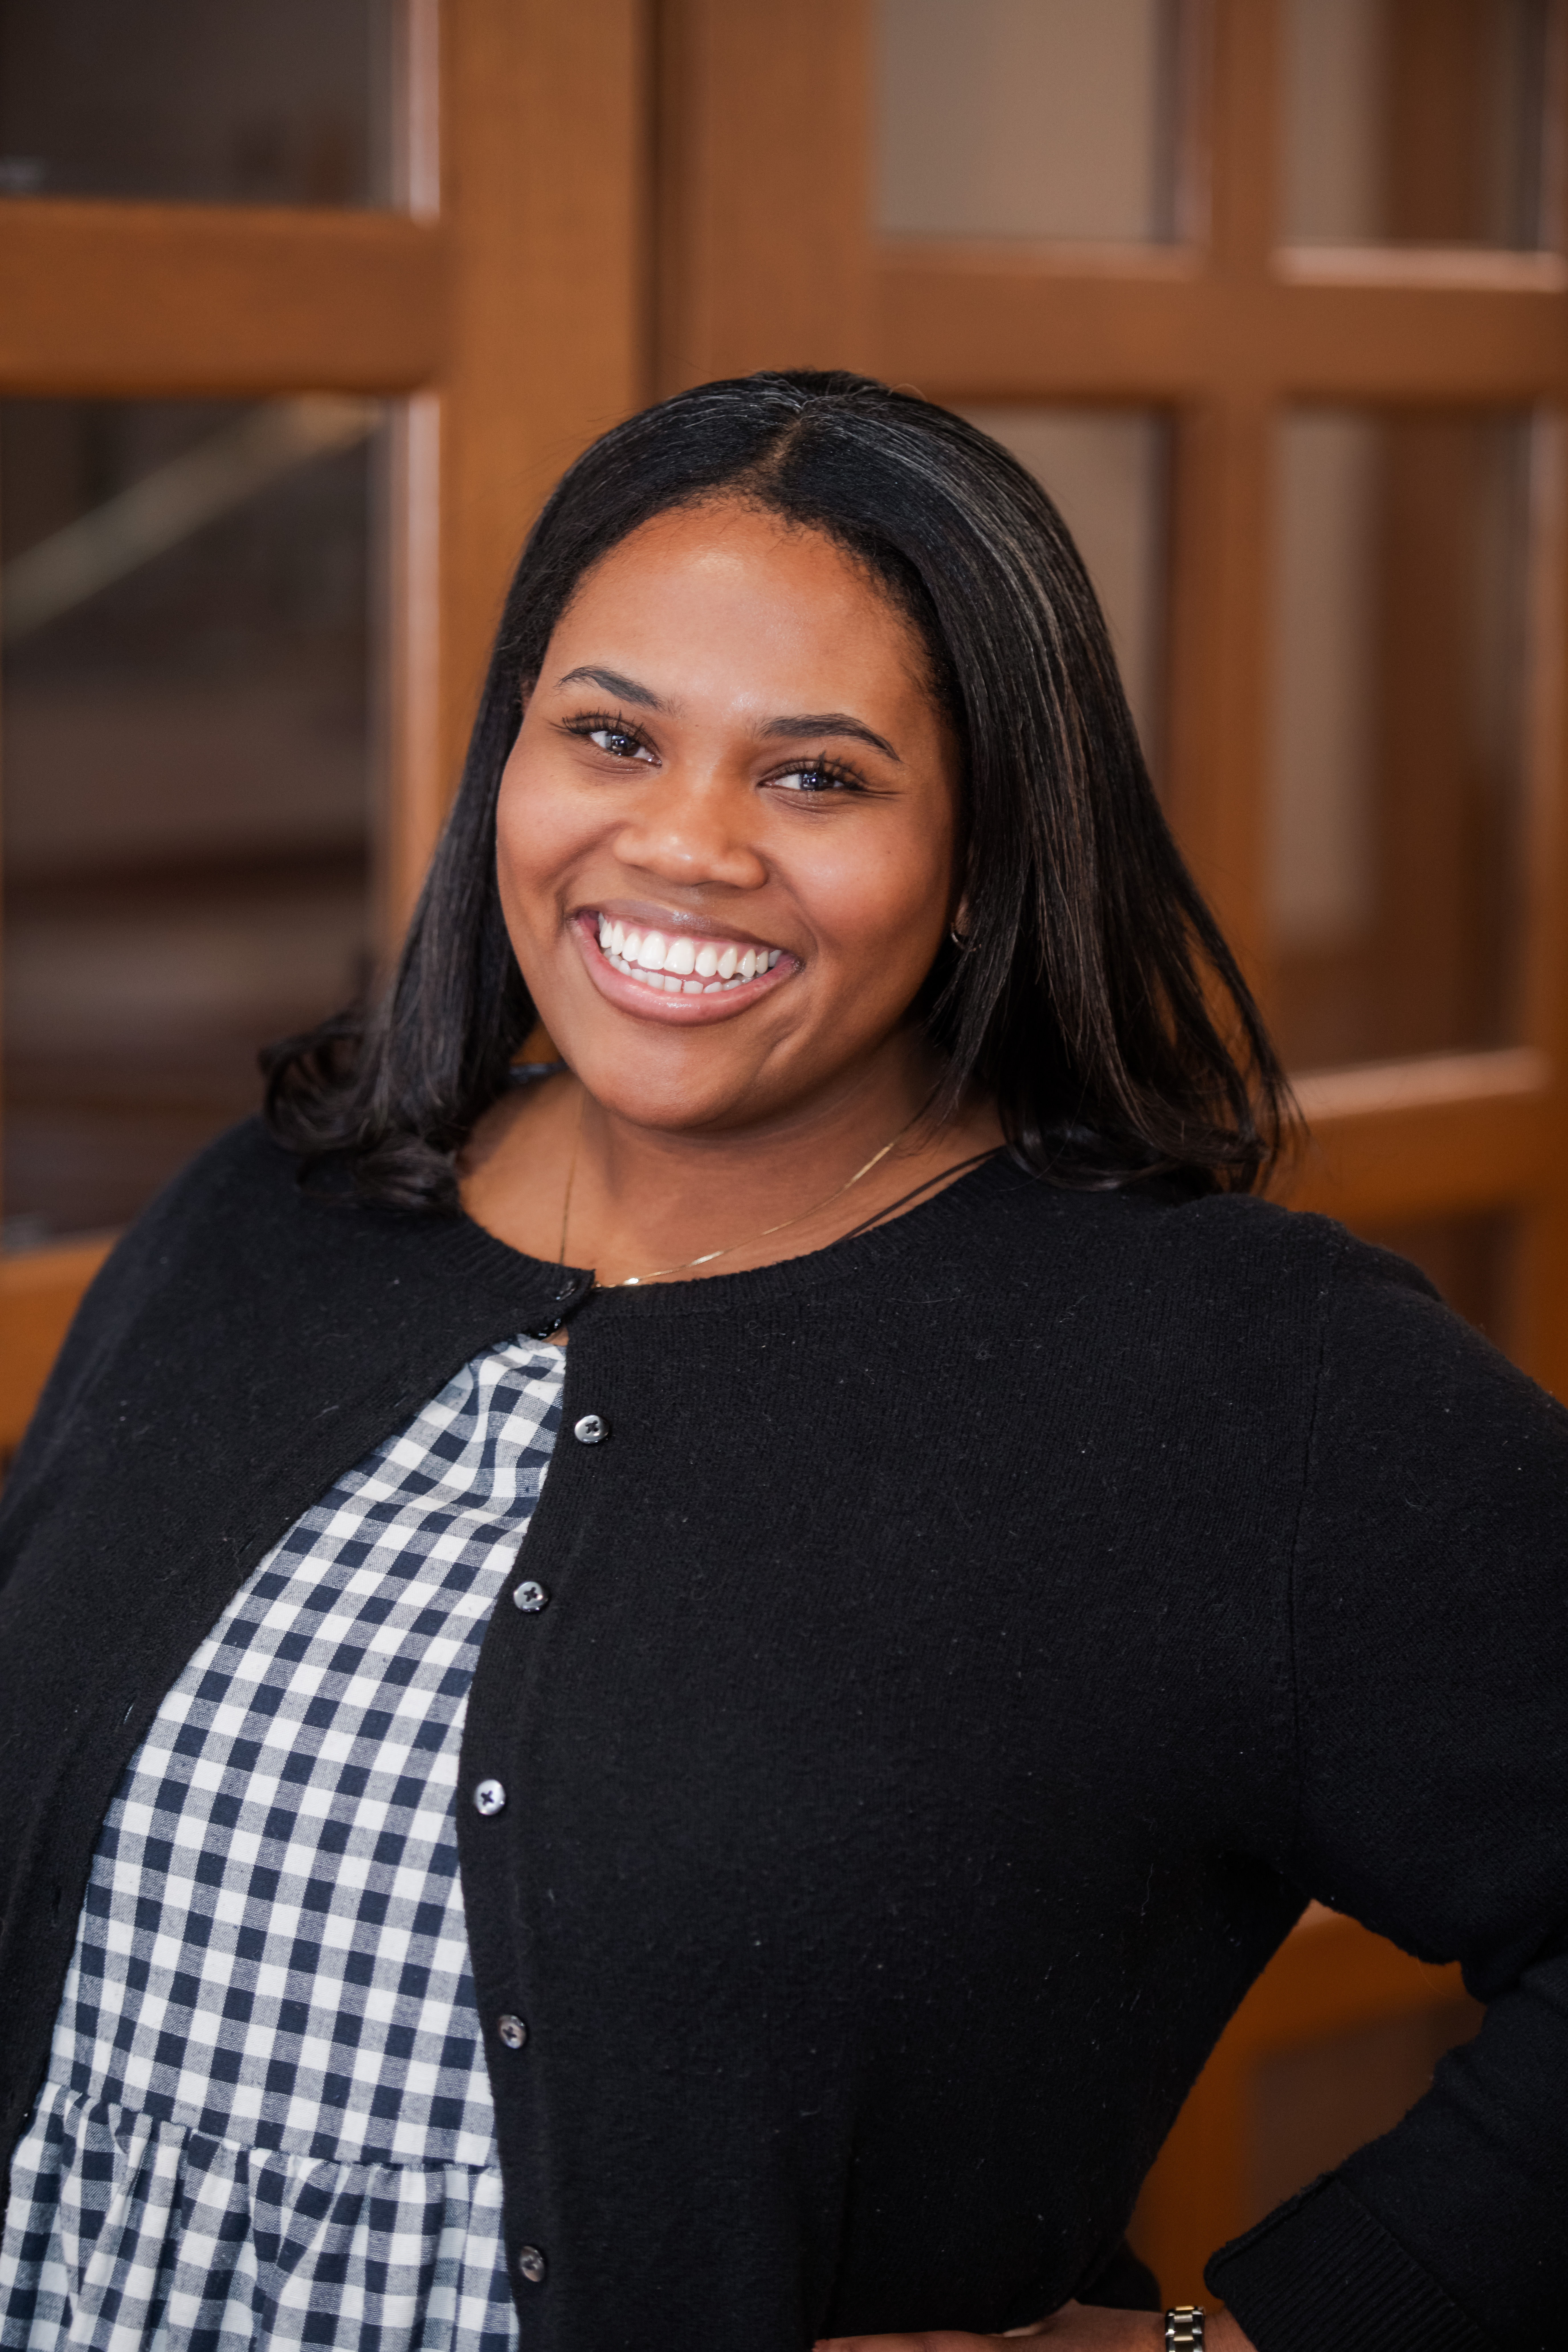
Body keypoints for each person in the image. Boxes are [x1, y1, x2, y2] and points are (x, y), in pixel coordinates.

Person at [0, 369, 1563, 2352]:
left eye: (816, 777)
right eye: (610, 735)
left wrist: (1260, 2344)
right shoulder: (267, 1220)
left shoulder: (1246, 1384)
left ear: (988, 852)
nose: (686, 846)